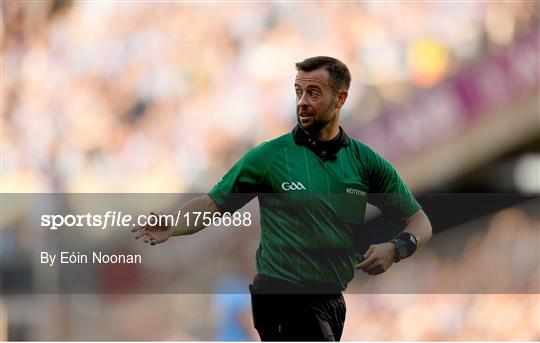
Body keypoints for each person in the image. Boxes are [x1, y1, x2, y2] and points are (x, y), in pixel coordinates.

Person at [132, 56, 432, 341]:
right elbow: (213, 204)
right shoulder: (269, 157)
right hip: (281, 295)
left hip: (331, 298)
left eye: (313, 93)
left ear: (340, 99)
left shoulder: (365, 162)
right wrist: (174, 225)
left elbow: (419, 222)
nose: (302, 101)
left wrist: (396, 249)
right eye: (298, 92)